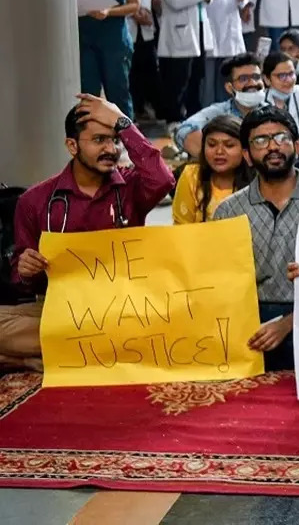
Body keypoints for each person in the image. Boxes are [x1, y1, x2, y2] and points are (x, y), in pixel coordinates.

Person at [0, 96, 174, 371]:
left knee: (172, 319)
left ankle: (46, 357)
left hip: (125, 309)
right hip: (61, 312)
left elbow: (163, 179)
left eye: (115, 140)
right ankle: (88, 351)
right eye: (99, 141)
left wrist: (123, 122)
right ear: (72, 146)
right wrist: (26, 269)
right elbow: (22, 283)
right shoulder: (35, 200)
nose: (111, 149)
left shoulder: (129, 186)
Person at [213, 107, 299, 371]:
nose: (273, 147)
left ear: (297, 146)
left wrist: (287, 324)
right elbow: (220, 282)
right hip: (247, 321)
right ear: (248, 156)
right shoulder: (228, 211)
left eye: (282, 138)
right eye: (261, 141)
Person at [155, 0, 220, 126]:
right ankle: (174, 121)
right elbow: (175, 2)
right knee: (179, 80)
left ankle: (194, 117)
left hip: (198, 28)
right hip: (178, 33)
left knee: (196, 77)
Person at [175, 54, 266, 157]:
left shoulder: (272, 112)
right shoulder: (219, 112)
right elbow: (184, 130)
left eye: (256, 77)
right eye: (243, 79)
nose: (252, 83)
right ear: (229, 88)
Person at [172, 115, 253, 225]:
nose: (219, 151)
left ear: (245, 150)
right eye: (212, 144)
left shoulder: (258, 180)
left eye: (229, 145)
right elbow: (181, 226)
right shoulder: (192, 175)